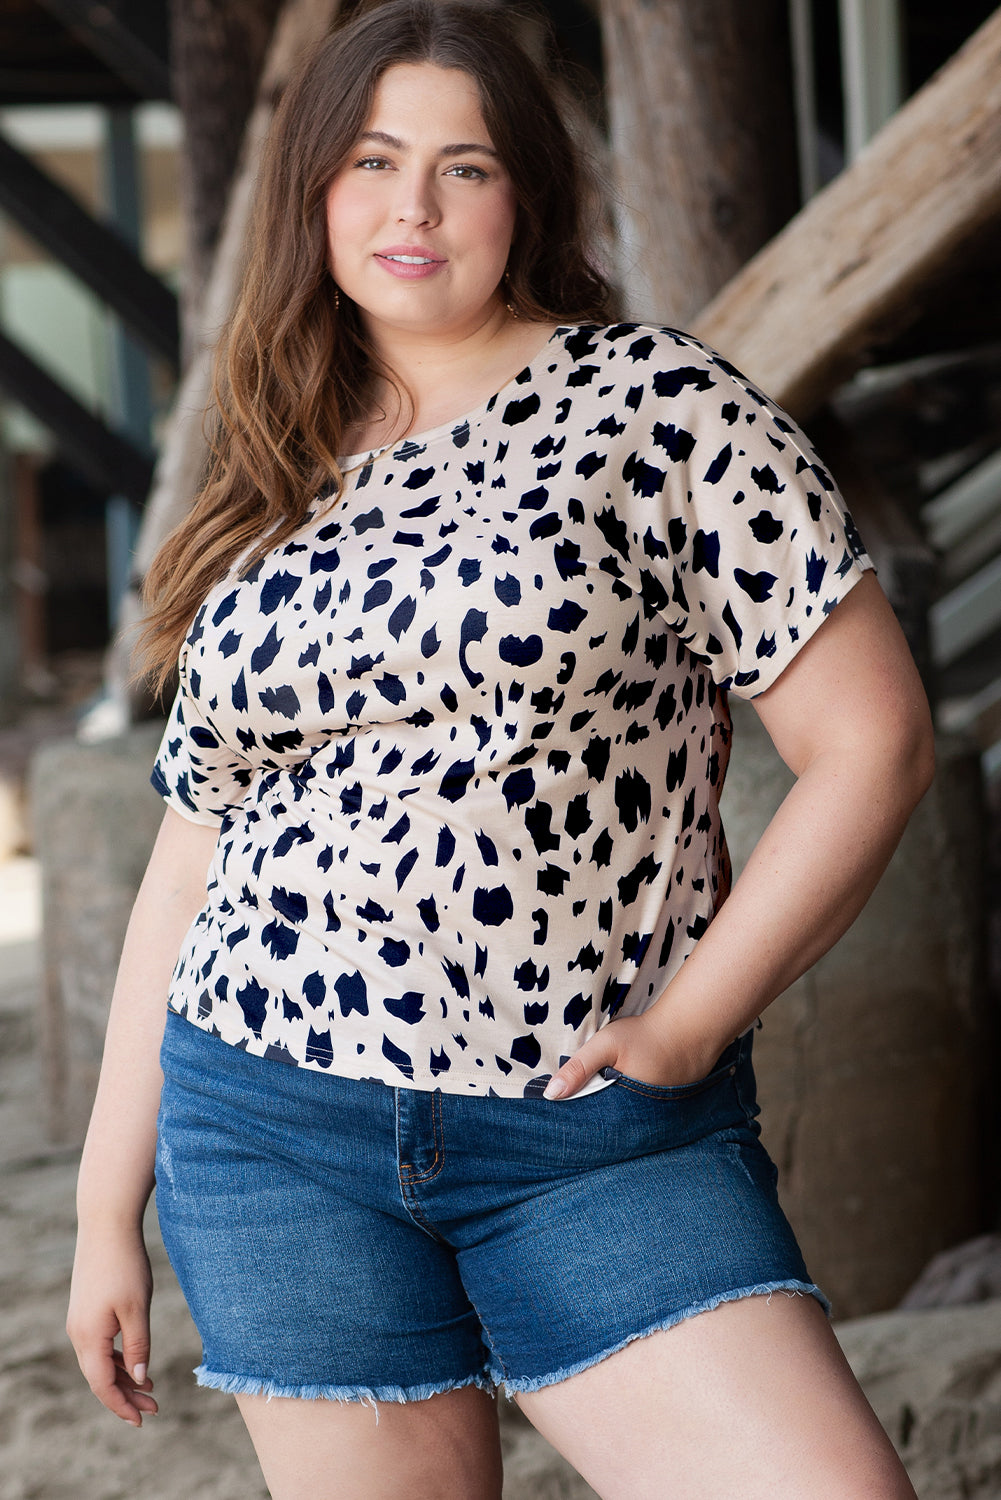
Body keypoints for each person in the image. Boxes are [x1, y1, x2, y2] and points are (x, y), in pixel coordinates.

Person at [67, 3, 934, 1496]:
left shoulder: (659, 409)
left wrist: (678, 1029)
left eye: (461, 167)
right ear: (312, 194)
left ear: (523, 192)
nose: (410, 207)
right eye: (370, 160)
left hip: (592, 1132)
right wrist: (101, 1210)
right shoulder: (268, 458)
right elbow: (191, 852)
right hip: (271, 1124)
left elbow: (874, 745)